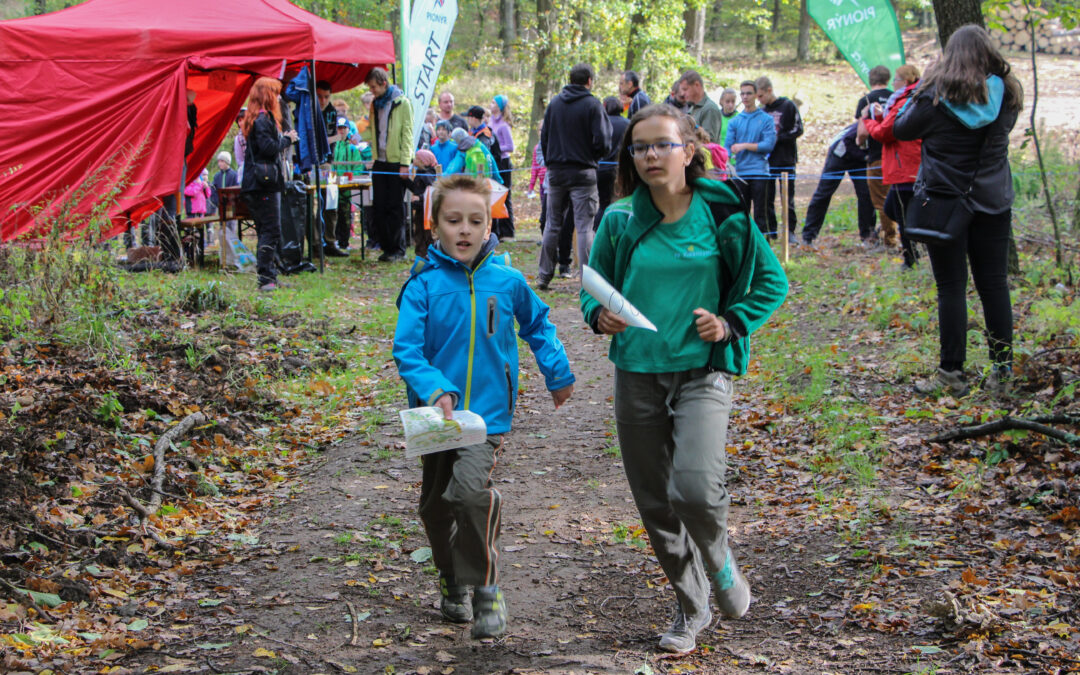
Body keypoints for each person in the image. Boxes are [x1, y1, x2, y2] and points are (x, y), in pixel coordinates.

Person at [581, 103, 787, 655]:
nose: (650, 155)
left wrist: (729, 323)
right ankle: (692, 605)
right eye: (640, 146)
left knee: (693, 487)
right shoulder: (621, 219)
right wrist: (598, 315)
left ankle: (720, 563)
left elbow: (772, 283)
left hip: (703, 371)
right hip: (637, 372)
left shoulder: (724, 214)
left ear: (688, 150)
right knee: (655, 502)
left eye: (662, 144)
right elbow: (593, 286)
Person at [394, 174, 575, 640]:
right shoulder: (423, 285)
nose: (465, 230)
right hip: (437, 419)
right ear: (435, 226)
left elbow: (539, 323)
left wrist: (557, 373)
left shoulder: (507, 280)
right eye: (453, 221)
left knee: (468, 494)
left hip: (487, 417)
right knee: (434, 509)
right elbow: (407, 350)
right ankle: (453, 582)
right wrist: (436, 387)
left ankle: (486, 589)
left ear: (488, 224)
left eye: (476, 220)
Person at [894, 25, 1022, 397]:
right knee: (994, 284)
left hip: (946, 203)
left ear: (949, 56)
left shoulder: (935, 97)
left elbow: (901, 129)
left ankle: (951, 374)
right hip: (993, 200)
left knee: (951, 286)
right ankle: (1002, 373)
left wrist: (922, 86)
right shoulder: (1008, 93)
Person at [536, 62, 612, 290]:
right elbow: (603, 141)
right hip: (583, 171)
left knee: (552, 224)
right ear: (589, 81)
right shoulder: (592, 105)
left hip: (557, 171)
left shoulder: (555, 104)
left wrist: (552, 161)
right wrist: (592, 156)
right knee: (585, 227)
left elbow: (544, 138)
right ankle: (588, 281)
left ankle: (543, 276)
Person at [861, 65, 923, 268]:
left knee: (902, 215)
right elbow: (890, 125)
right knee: (896, 210)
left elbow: (885, 133)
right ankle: (916, 248)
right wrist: (879, 117)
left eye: (895, 80)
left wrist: (868, 120)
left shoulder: (905, 102)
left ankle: (911, 258)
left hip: (905, 166)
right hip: (905, 165)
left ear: (904, 82)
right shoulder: (905, 101)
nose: (892, 84)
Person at [240, 77, 298, 291]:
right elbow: (268, 148)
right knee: (271, 230)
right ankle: (266, 278)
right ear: (268, 95)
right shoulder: (264, 119)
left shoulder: (256, 118)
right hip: (263, 183)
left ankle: (269, 275)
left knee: (266, 229)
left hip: (256, 183)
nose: (279, 98)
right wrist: (288, 139)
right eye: (276, 93)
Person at [366, 67, 414, 262]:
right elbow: (373, 131)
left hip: (396, 163)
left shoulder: (402, 103)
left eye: (374, 87)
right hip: (380, 161)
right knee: (379, 205)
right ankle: (386, 247)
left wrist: (405, 162)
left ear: (383, 83)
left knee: (395, 206)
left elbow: (407, 133)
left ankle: (398, 249)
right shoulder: (375, 104)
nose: (372, 91)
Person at [799, 122, 873, 247]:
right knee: (823, 193)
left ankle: (868, 237)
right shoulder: (865, 124)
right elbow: (847, 142)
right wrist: (866, 157)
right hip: (840, 151)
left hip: (860, 157)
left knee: (866, 194)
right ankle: (808, 236)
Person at [724, 81, 776, 236]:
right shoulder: (735, 121)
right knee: (742, 213)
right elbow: (727, 146)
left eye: (749, 93)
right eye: (743, 93)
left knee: (761, 214)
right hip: (740, 173)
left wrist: (745, 146)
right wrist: (726, 161)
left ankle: (764, 250)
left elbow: (768, 145)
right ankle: (746, 248)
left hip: (760, 172)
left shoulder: (766, 119)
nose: (745, 97)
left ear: (755, 95)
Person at [756, 76, 803, 245]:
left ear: (769, 90)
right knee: (767, 198)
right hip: (767, 162)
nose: (759, 100)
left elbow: (798, 129)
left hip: (785, 159)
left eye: (761, 96)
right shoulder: (761, 111)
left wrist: (778, 138)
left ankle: (790, 231)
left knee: (787, 197)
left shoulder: (788, 106)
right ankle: (771, 231)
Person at [855, 66, 897, 247]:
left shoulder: (866, 100)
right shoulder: (896, 98)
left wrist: (859, 141)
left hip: (877, 156)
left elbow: (862, 132)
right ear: (888, 78)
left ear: (870, 79)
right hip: (898, 155)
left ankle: (890, 240)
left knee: (881, 201)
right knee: (900, 197)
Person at [596, 96, 630, 231]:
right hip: (619, 170)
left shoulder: (600, 123)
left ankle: (599, 231)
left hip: (601, 169)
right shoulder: (628, 124)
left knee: (602, 204)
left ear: (604, 106)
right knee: (620, 202)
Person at [489, 95, 516, 240]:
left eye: (493, 102)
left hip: (503, 162)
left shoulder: (504, 125)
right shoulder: (490, 122)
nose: (490, 104)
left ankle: (508, 231)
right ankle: (496, 230)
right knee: (494, 195)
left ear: (500, 106)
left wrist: (497, 148)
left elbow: (510, 146)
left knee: (505, 195)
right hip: (493, 161)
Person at [404, 149, 439, 259]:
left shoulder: (427, 176)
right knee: (419, 232)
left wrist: (419, 198)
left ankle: (429, 254)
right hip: (420, 209)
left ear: (423, 161)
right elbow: (416, 188)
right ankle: (420, 254)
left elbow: (431, 193)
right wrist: (405, 181)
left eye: (417, 159)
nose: (414, 161)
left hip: (427, 210)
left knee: (427, 233)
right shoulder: (420, 174)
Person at [212, 151, 241, 269]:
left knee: (231, 230)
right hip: (221, 207)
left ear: (227, 162)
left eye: (222, 161)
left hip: (231, 207)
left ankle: (234, 258)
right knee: (222, 231)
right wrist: (215, 202)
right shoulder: (217, 176)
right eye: (219, 161)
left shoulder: (233, 175)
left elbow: (236, 190)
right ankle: (224, 257)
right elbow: (214, 190)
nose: (220, 164)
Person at [680, 70, 724, 144]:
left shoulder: (709, 109)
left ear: (697, 85)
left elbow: (709, 141)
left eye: (685, 89)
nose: (682, 93)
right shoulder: (693, 108)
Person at [717, 88, 739, 165]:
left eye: (733, 102)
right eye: (727, 101)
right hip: (719, 157)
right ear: (721, 101)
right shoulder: (717, 116)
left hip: (734, 160)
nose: (730, 105)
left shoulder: (739, 117)